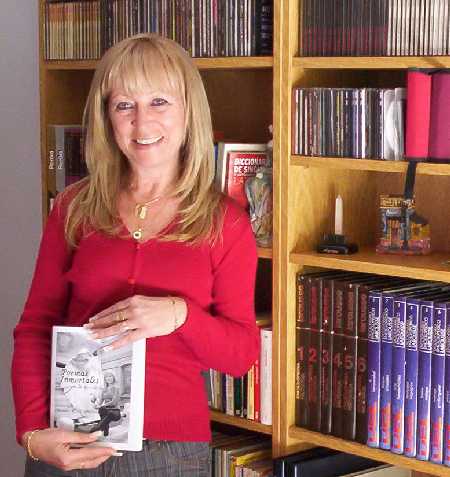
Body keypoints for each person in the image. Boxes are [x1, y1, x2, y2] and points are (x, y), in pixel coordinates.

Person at [12, 33, 259, 476]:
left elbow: (239, 355)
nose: (142, 123)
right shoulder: (72, 208)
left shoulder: (226, 224)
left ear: (189, 110)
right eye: (124, 105)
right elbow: (34, 328)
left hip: (168, 456)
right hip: (67, 442)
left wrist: (180, 315)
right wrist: (32, 433)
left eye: (159, 101)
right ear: (107, 117)